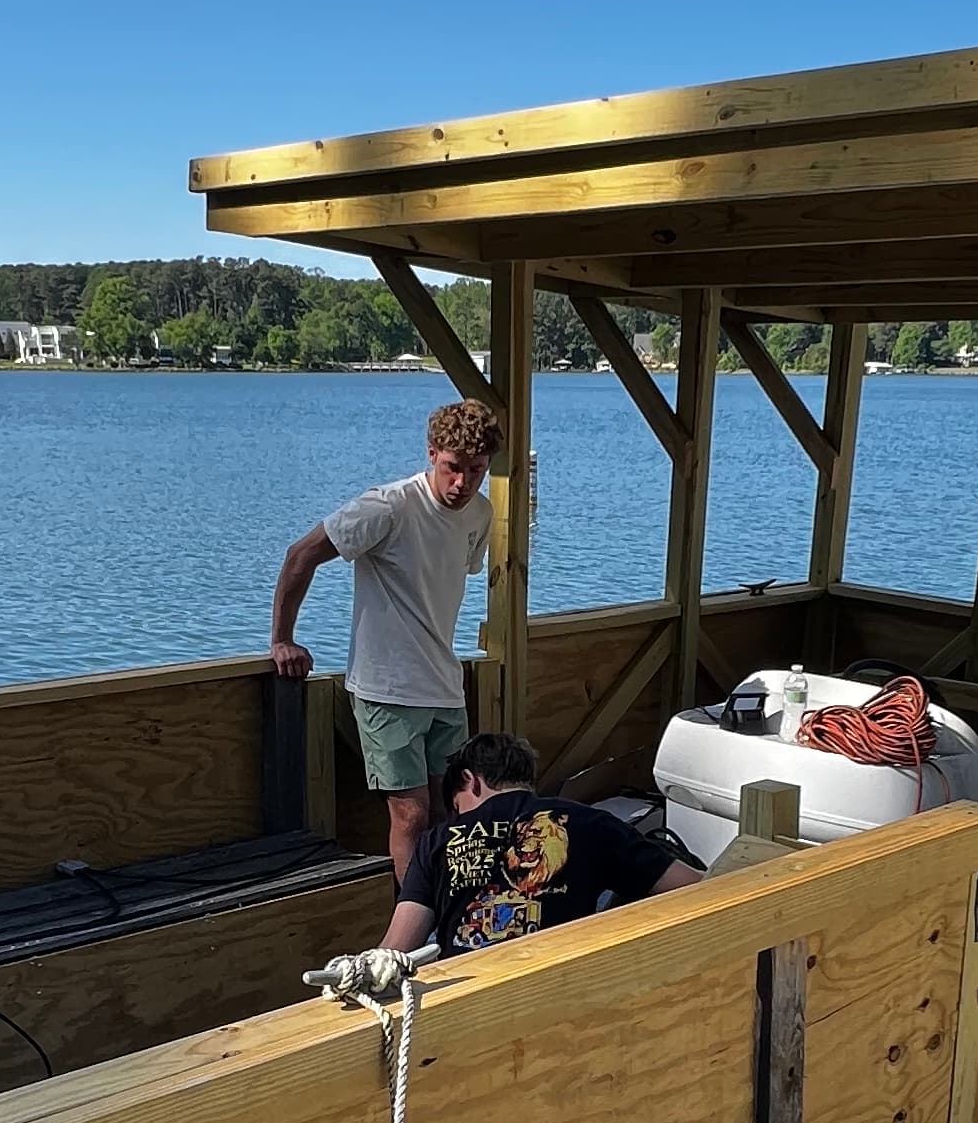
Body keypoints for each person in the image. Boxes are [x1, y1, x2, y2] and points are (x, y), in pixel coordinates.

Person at [272, 397, 501, 877]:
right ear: (432, 453)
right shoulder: (388, 506)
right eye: (453, 468)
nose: (462, 483)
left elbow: (450, 575)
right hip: (387, 690)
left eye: (476, 471)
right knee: (412, 815)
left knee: (457, 811)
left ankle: (452, 911)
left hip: (445, 685)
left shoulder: (481, 514)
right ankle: (411, 921)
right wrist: (283, 639)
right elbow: (301, 555)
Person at [383, 732, 700, 959]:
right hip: (562, 993)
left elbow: (396, 950)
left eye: (457, 805)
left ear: (471, 781)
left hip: (467, 1000)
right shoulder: (592, 823)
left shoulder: (436, 841)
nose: (460, 815)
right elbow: (696, 887)